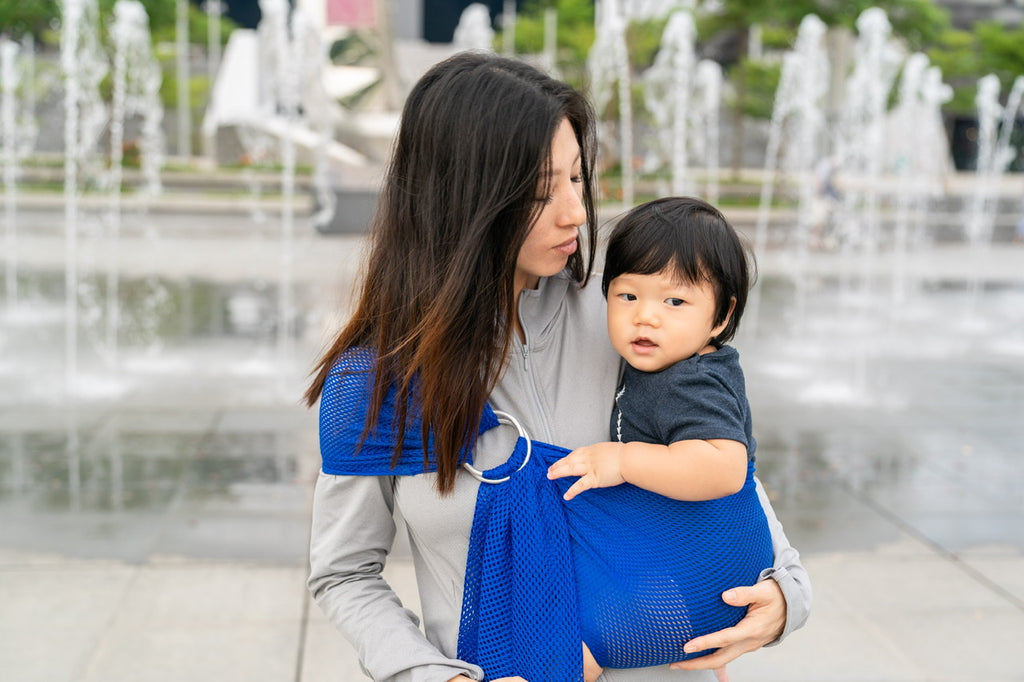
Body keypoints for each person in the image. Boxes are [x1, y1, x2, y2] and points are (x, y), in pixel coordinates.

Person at [305, 51, 810, 681]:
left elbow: (717, 454)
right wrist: (429, 676)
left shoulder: (625, 310)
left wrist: (788, 594)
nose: (574, 211)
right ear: (466, 196)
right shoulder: (382, 384)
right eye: (543, 190)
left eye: (578, 178)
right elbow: (344, 572)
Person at [547, 197, 773, 681]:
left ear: (720, 316)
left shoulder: (688, 381)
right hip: (694, 571)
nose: (646, 316)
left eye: (675, 301)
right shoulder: (669, 364)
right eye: (628, 296)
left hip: (706, 574)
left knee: (572, 654)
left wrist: (624, 461)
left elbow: (725, 467)